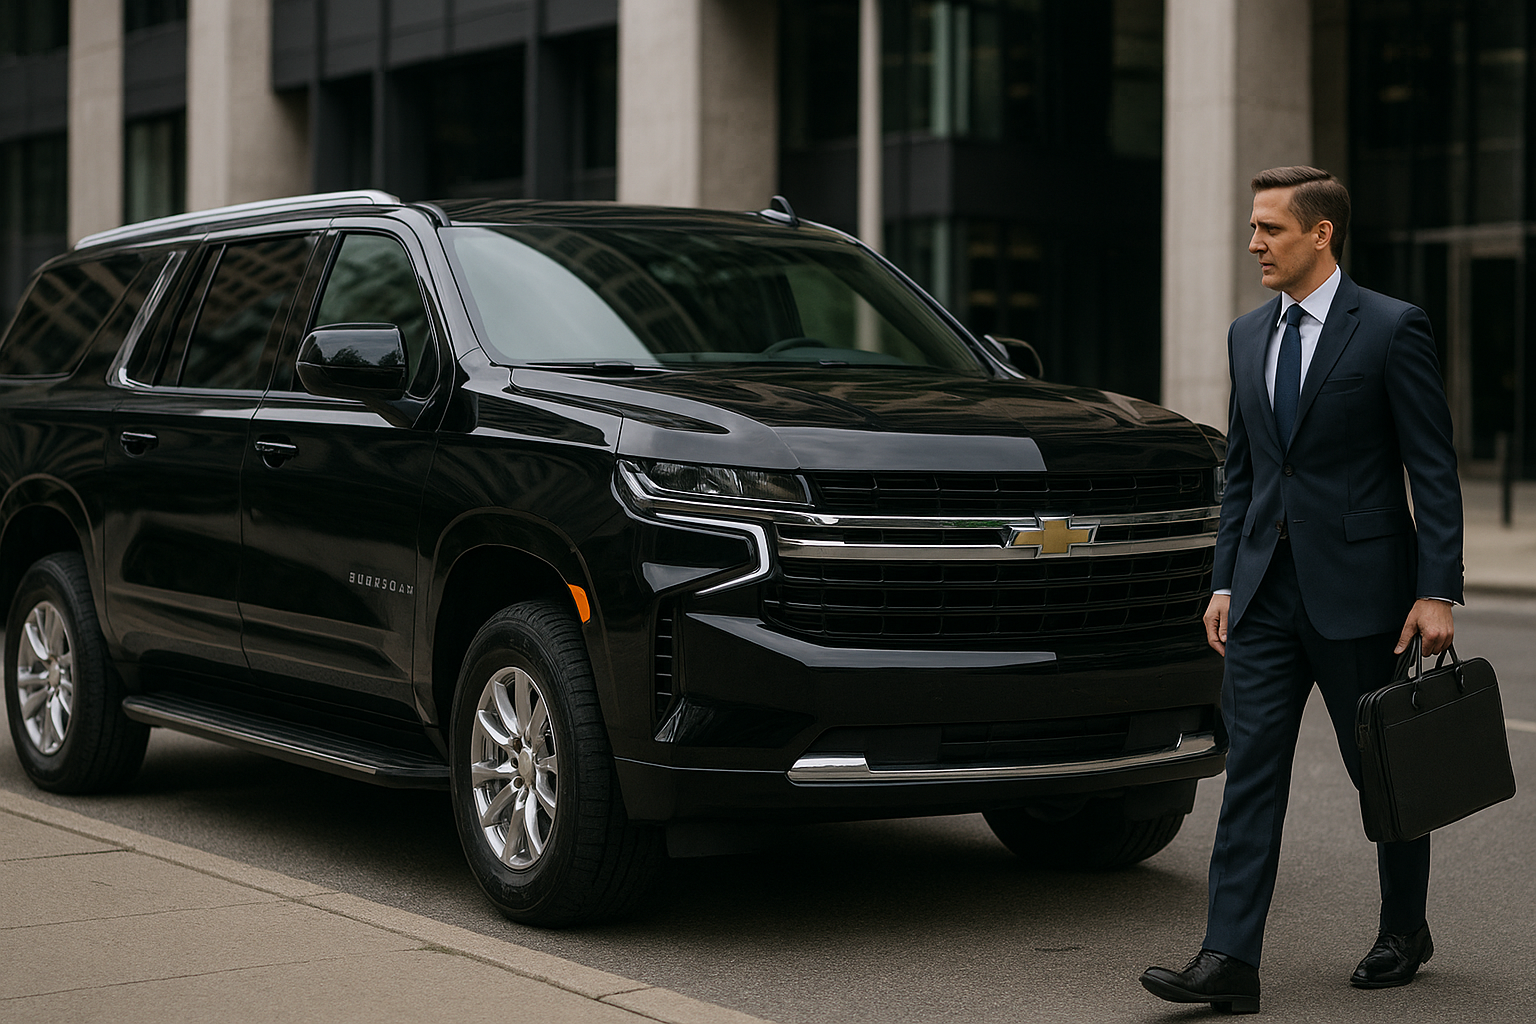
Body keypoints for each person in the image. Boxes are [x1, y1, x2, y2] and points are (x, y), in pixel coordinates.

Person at [1139, 166, 1463, 1014]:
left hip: (1362, 597)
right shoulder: (1247, 335)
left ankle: (1405, 928)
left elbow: (1431, 466)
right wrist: (1222, 580)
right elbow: (1245, 474)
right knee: (1250, 774)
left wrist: (1437, 589)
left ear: (1322, 233)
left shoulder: (1390, 327)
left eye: (1270, 229)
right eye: (1253, 227)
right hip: (1262, 599)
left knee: (1381, 772)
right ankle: (1228, 959)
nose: (1254, 243)